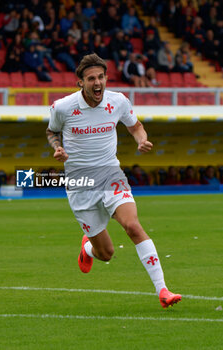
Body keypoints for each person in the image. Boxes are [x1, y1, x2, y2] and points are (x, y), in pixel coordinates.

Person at [46, 53, 181, 309]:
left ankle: (163, 290)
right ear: (80, 83)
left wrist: (141, 139)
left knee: (132, 225)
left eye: (100, 77)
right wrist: (57, 147)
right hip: (79, 183)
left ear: (106, 78)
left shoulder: (117, 101)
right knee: (106, 254)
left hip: (110, 174)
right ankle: (87, 249)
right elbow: (52, 130)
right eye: (91, 79)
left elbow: (135, 125)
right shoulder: (63, 107)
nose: (97, 83)